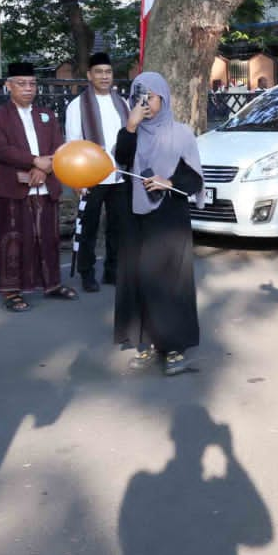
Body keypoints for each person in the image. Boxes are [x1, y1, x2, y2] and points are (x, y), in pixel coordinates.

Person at [113, 72, 202, 376]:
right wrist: (132, 124)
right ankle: (148, 343)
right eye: (139, 97)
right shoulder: (130, 132)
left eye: (150, 96)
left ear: (163, 98)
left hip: (169, 218)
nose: (145, 103)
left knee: (169, 280)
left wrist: (170, 181)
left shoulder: (181, 134)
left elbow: (193, 178)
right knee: (141, 278)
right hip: (136, 216)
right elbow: (121, 160)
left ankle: (174, 346)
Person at [0, 62, 77, 311]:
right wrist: (33, 161)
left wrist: (43, 168)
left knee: (48, 237)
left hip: (46, 185)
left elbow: (59, 146)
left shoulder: (46, 114)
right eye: (21, 84)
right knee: (14, 239)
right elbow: (2, 150)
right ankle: (11, 290)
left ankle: (51, 283)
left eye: (32, 84)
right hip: (12, 188)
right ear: (8, 86)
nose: (28, 89)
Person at [64, 52, 130, 293]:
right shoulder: (77, 106)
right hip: (90, 176)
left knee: (117, 226)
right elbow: (73, 144)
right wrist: (76, 180)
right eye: (99, 72)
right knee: (88, 227)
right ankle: (87, 273)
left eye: (108, 72)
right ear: (90, 76)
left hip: (120, 175)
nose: (104, 76)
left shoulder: (122, 103)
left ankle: (113, 270)